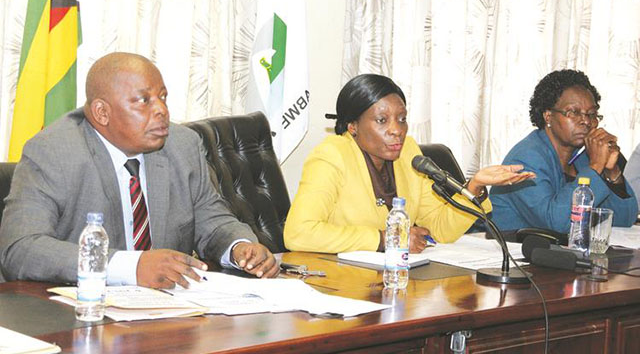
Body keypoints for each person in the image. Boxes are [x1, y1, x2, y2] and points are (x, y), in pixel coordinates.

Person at [0, 52, 279, 288]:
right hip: (78, 312)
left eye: (163, 97)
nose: (162, 111)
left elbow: (212, 220)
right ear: (101, 113)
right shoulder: (54, 151)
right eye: (143, 101)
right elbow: (20, 249)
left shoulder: (182, 145)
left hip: (168, 315)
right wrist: (129, 267)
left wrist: (239, 247)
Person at [283, 74, 534, 254]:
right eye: (382, 120)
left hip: (393, 282)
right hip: (338, 284)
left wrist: (475, 185)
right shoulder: (331, 155)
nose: (396, 130)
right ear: (353, 126)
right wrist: (386, 239)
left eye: (402, 119)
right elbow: (299, 233)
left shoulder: (408, 153)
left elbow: (440, 228)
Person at [490, 69, 638, 232]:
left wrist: (612, 172)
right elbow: (556, 224)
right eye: (573, 112)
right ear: (548, 116)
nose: (586, 121)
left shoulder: (583, 158)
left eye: (592, 114)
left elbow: (624, 220)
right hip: (511, 253)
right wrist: (595, 167)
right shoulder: (525, 159)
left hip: (558, 253)